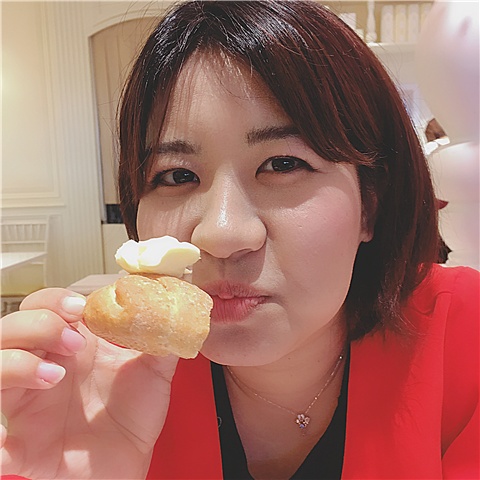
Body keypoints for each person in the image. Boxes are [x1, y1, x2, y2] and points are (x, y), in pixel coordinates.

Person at [1, 1, 478, 479]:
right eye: (176, 175)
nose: (222, 234)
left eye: (284, 164)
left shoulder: (464, 338)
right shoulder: (97, 394)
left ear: (369, 205)